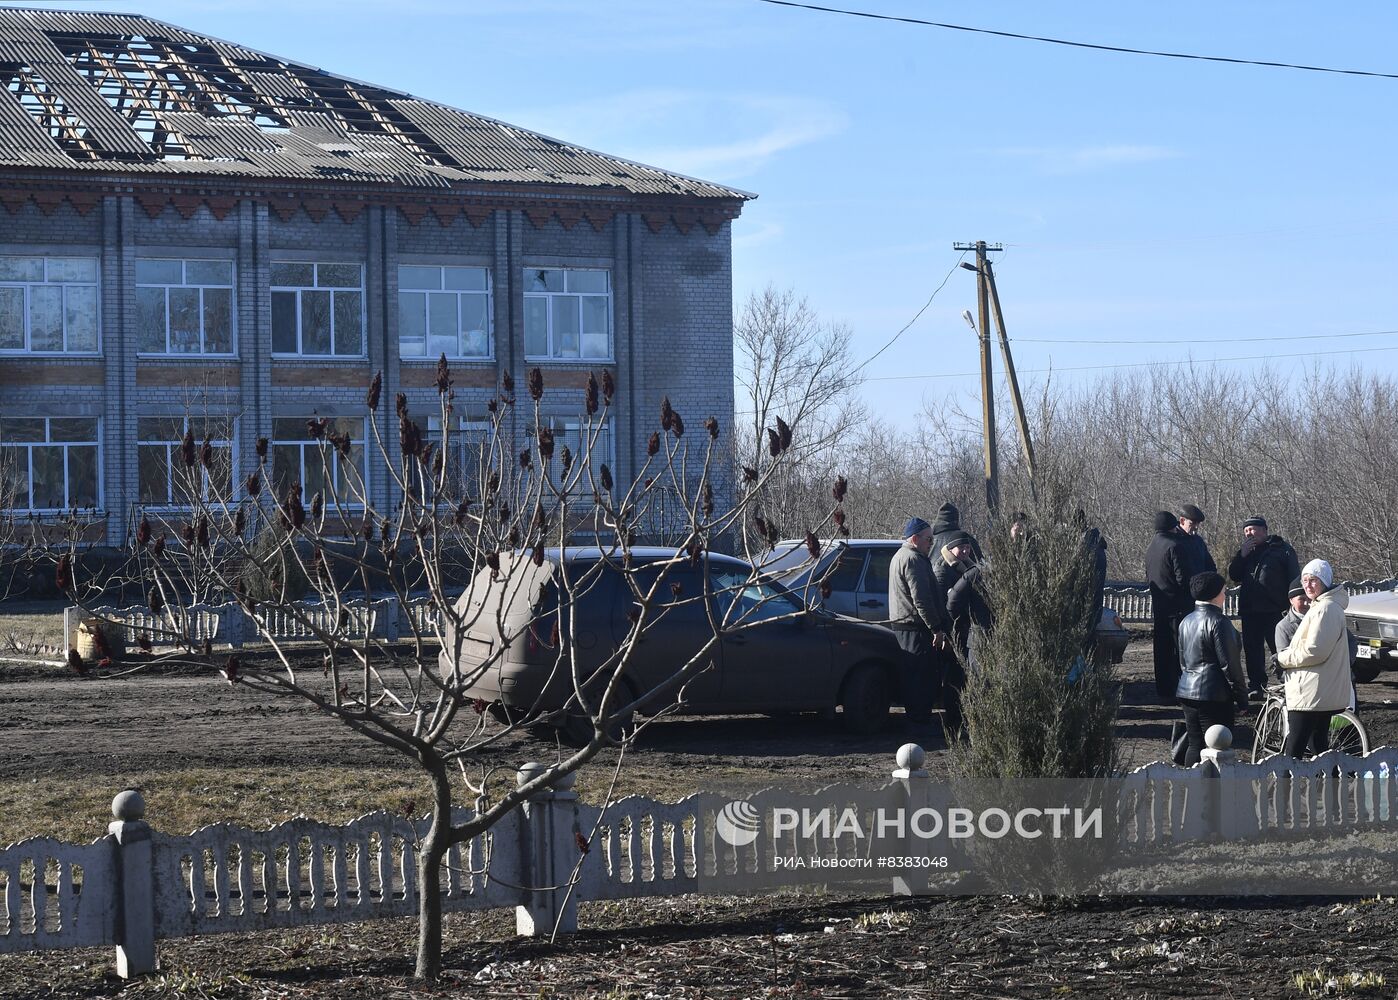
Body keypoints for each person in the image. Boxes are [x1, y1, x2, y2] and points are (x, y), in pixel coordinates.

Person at [1274, 559, 1351, 759]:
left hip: (1310, 693)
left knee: (1294, 750)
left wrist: (1282, 659)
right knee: (1318, 747)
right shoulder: (1325, 606)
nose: (1307, 585)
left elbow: (1314, 650)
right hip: (1317, 690)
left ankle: (1283, 790)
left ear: (1324, 581)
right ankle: (1333, 787)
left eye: (1313, 580)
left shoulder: (1325, 609)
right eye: (1305, 580)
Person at [1175, 571, 1248, 766]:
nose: (1225, 595)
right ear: (1216, 594)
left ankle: (1192, 789)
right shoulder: (1219, 622)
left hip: (1187, 691)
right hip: (1213, 695)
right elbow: (1230, 665)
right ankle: (1212, 792)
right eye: (1223, 591)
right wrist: (1242, 698)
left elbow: (1183, 661)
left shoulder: (1186, 621)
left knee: (1194, 743)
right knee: (1217, 746)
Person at [888, 517, 951, 734]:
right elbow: (921, 598)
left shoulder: (901, 556)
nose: (931, 543)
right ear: (915, 538)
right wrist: (935, 627)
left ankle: (917, 720)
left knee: (914, 675)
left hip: (906, 625)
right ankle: (919, 723)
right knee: (920, 677)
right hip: (915, 627)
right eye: (928, 539)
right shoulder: (913, 559)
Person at [1227, 516, 1300, 696]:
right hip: (1250, 610)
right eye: (1246, 531)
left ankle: (1289, 683)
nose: (1249, 534)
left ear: (1264, 530)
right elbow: (1234, 575)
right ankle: (1257, 685)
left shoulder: (1282, 550)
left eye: (1252, 529)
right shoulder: (1246, 552)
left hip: (1275, 609)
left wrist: (1292, 603)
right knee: (1252, 651)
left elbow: (1294, 578)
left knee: (1281, 648)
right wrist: (1241, 556)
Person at [932, 529, 976, 739]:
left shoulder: (966, 565)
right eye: (962, 547)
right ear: (951, 548)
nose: (965, 551)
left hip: (965, 628)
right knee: (953, 678)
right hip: (953, 629)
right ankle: (952, 720)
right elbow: (943, 602)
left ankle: (960, 718)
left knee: (962, 676)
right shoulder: (943, 569)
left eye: (968, 547)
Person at [1145, 511, 1193, 702]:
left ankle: (1163, 687)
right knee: (1178, 649)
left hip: (1159, 604)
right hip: (1177, 605)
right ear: (1172, 526)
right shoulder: (1175, 546)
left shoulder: (1151, 547)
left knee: (1161, 647)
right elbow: (1183, 578)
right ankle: (1178, 687)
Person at [1177, 503, 1216, 574]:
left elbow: (1210, 565)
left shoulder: (1198, 541)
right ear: (1182, 521)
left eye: (1198, 523)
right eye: (1192, 523)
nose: (1196, 527)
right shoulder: (1173, 541)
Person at [1274, 577, 1309, 654]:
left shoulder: (1321, 618)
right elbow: (1283, 657)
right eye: (1302, 599)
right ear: (1291, 600)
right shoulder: (1283, 627)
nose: (1306, 603)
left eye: (1309, 599)